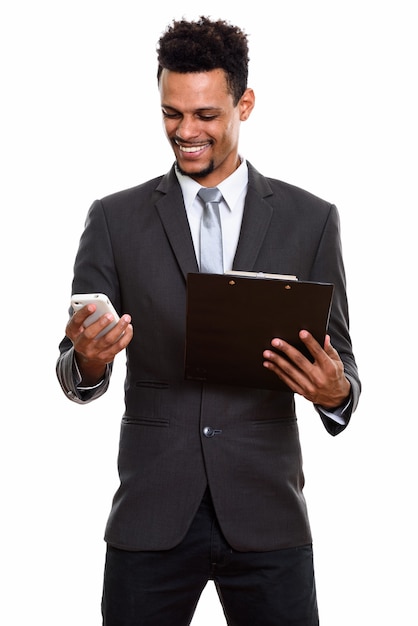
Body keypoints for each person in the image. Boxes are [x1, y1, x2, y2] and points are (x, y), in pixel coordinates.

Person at [57, 16, 361, 626]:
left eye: (206, 116)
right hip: (151, 512)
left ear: (244, 104)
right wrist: (89, 360)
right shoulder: (114, 219)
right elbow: (72, 370)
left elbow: (344, 370)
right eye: (172, 114)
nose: (186, 132)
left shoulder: (311, 220)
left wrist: (334, 393)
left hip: (268, 516)